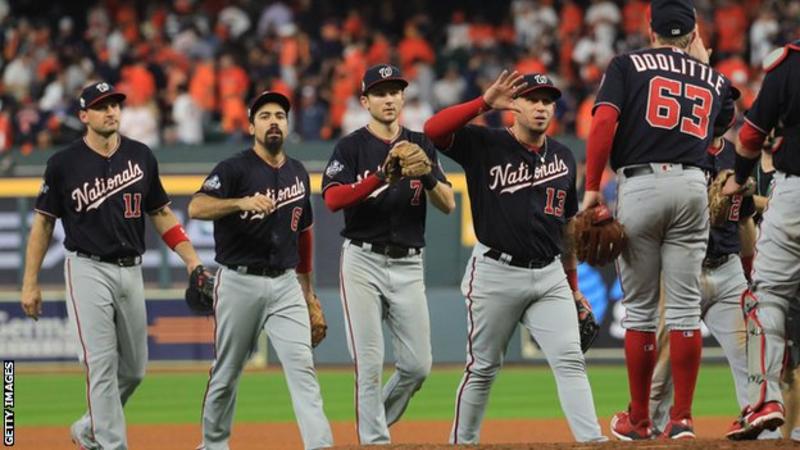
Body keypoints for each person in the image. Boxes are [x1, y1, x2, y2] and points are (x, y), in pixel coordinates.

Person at [582, 0, 740, 439]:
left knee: (641, 313)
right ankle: (683, 419)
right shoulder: (713, 79)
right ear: (692, 35)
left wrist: (593, 186)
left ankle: (639, 419)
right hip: (692, 187)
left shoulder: (627, 64)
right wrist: (703, 63)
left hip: (642, 185)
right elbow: (721, 124)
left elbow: (604, 122)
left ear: (650, 28)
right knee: (686, 311)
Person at [424, 71, 607, 444]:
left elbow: (568, 228)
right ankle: (463, 442)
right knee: (483, 369)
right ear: (514, 106)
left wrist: (573, 289)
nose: (541, 107)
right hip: (495, 272)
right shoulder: (483, 143)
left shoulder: (563, 155)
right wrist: (483, 103)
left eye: (547, 100)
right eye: (532, 99)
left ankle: (592, 441)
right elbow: (433, 130)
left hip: (549, 275)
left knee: (571, 360)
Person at [20, 81, 205, 450]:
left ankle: (90, 428)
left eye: (116, 105)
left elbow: (162, 213)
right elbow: (43, 223)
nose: (111, 111)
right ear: (83, 115)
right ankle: (112, 444)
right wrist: (30, 282)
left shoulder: (140, 156)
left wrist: (192, 260)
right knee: (101, 366)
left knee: (134, 370)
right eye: (102, 106)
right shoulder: (63, 163)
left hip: (130, 270)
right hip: (86, 268)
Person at [189, 91, 333, 450]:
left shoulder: (298, 172)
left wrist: (308, 290)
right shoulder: (234, 169)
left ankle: (320, 444)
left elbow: (303, 234)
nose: (274, 121)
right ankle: (213, 445)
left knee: (303, 369)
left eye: (280, 116)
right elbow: (196, 206)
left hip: (285, 284)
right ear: (251, 125)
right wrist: (239, 202)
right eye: (265, 115)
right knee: (226, 373)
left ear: (287, 125)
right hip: (239, 281)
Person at [321, 64, 455, 444]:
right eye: (380, 93)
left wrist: (427, 173)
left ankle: (371, 421)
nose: (389, 98)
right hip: (362, 260)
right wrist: (380, 176)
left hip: (409, 262)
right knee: (369, 363)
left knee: (417, 367)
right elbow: (332, 200)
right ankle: (374, 440)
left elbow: (447, 203)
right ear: (365, 101)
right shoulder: (350, 146)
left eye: (395, 91)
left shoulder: (420, 143)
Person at [648, 133, 762, 437]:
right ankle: (649, 428)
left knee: (750, 353)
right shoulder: (677, 150)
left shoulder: (738, 158)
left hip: (728, 268)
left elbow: (745, 218)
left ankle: (760, 426)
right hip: (681, 269)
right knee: (663, 364)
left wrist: (749, 272)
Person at [723, 39, 800, 440]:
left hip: (795, 196)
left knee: (767, 297)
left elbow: (751, 135)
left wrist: (738, 179)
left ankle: (766, 400)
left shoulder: (789, 64)